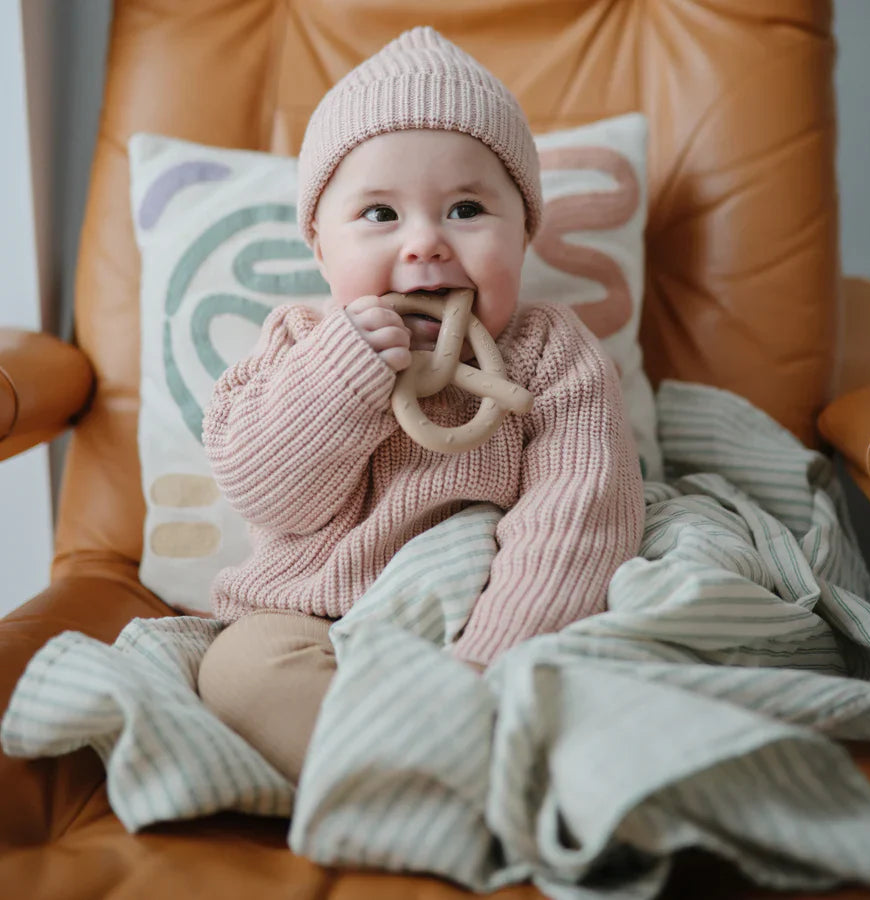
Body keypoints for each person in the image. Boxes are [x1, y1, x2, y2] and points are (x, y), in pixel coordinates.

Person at [197, 26, 645, 783]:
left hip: (481, 618)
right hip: (314, 620)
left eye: (467, 208)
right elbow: (267, 492)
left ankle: (459, 744)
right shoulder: (295, 345)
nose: (426, 244)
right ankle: (431, 772)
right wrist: (340, 377)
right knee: (238, 672)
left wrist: (490, 661)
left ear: (525, 238)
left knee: (603, 667)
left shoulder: (551, 351)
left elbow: (581, 515)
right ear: (319, 247)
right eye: (379, 215)